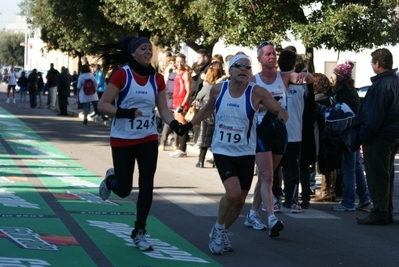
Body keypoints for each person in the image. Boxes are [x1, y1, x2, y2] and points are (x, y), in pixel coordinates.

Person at [179, 54, 289, 255]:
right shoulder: (218, 89)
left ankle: (220, 231)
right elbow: (206, 110)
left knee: (240, 202)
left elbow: (282, 112)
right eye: (238, 66)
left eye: (247, 67)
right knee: (233, 193)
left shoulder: (257, 93)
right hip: (222, 150)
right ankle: (219, 228)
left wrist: (278, 123)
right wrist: (188, 126)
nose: (243, 69)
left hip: (246, 152)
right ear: (230, 70)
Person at [97, 36, 184, 251]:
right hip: (122, 138)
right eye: (143, 48)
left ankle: (139, 231)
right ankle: (111, 180)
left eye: (150, 49)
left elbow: (163, 110)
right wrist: (124, 112)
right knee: (125, 189)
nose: (148, 52)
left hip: (147, 138)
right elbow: (103, 105)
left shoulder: (158, 79)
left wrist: (175, 124)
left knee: (147, 184)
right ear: (133, 52)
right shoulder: (122, 74)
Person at [354, 48, 399, 225]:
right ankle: (386, 210)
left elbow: (373, 116)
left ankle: (380, 212)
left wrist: (362, 136)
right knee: (387, 175)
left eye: (373, 62)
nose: (372, 65)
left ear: (378, 64)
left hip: (379, 136)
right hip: (393, 135)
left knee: (377, 175)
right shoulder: (395, 81)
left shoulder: (380, 85)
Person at [328, 61, 371, 212]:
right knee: (356, 166)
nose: (331, 76)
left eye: (334, 73)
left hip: (347, 136)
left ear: (340, 77)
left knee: (348, 168)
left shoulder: (344, 95)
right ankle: (364, 198)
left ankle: (348, 201)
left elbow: (341, 116)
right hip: (353, 135)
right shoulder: (350, 92)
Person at [311, 73, 340, 202]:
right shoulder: (330, 97)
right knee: (331, 163)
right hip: (332, 134)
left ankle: (325, 192)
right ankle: (331, 191)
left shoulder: (317, 99)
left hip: (322, 135)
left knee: (324, 163)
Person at [194, 61, 223, 168]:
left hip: (207, 115)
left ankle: (200, 161)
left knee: (204, 138)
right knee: (216, 139)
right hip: (219, 114)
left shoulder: (207, 87)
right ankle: (216, 162)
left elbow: (198, 97)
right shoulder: (222, 86)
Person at [169, 53, 192, 158]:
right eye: (177, 61)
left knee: (182, 125)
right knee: (178, 125)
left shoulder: (186, 74)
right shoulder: (177, 73)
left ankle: (182, 149)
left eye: (181, 61)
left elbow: (188, 91)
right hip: (176, 100)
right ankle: (179, 148)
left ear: (185, 62)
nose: (179, 63)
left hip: (182, 102)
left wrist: (182, 105)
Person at [158, 56, 178, 151]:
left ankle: (175, 144)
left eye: (173, 62)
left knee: (175, 122)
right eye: (172, 62)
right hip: (168, 97)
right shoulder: (168, 71)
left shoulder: (180, 72)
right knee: (168, 122)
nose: (173, 64)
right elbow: (164, 82)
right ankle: (163, 143)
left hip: (177, 98)